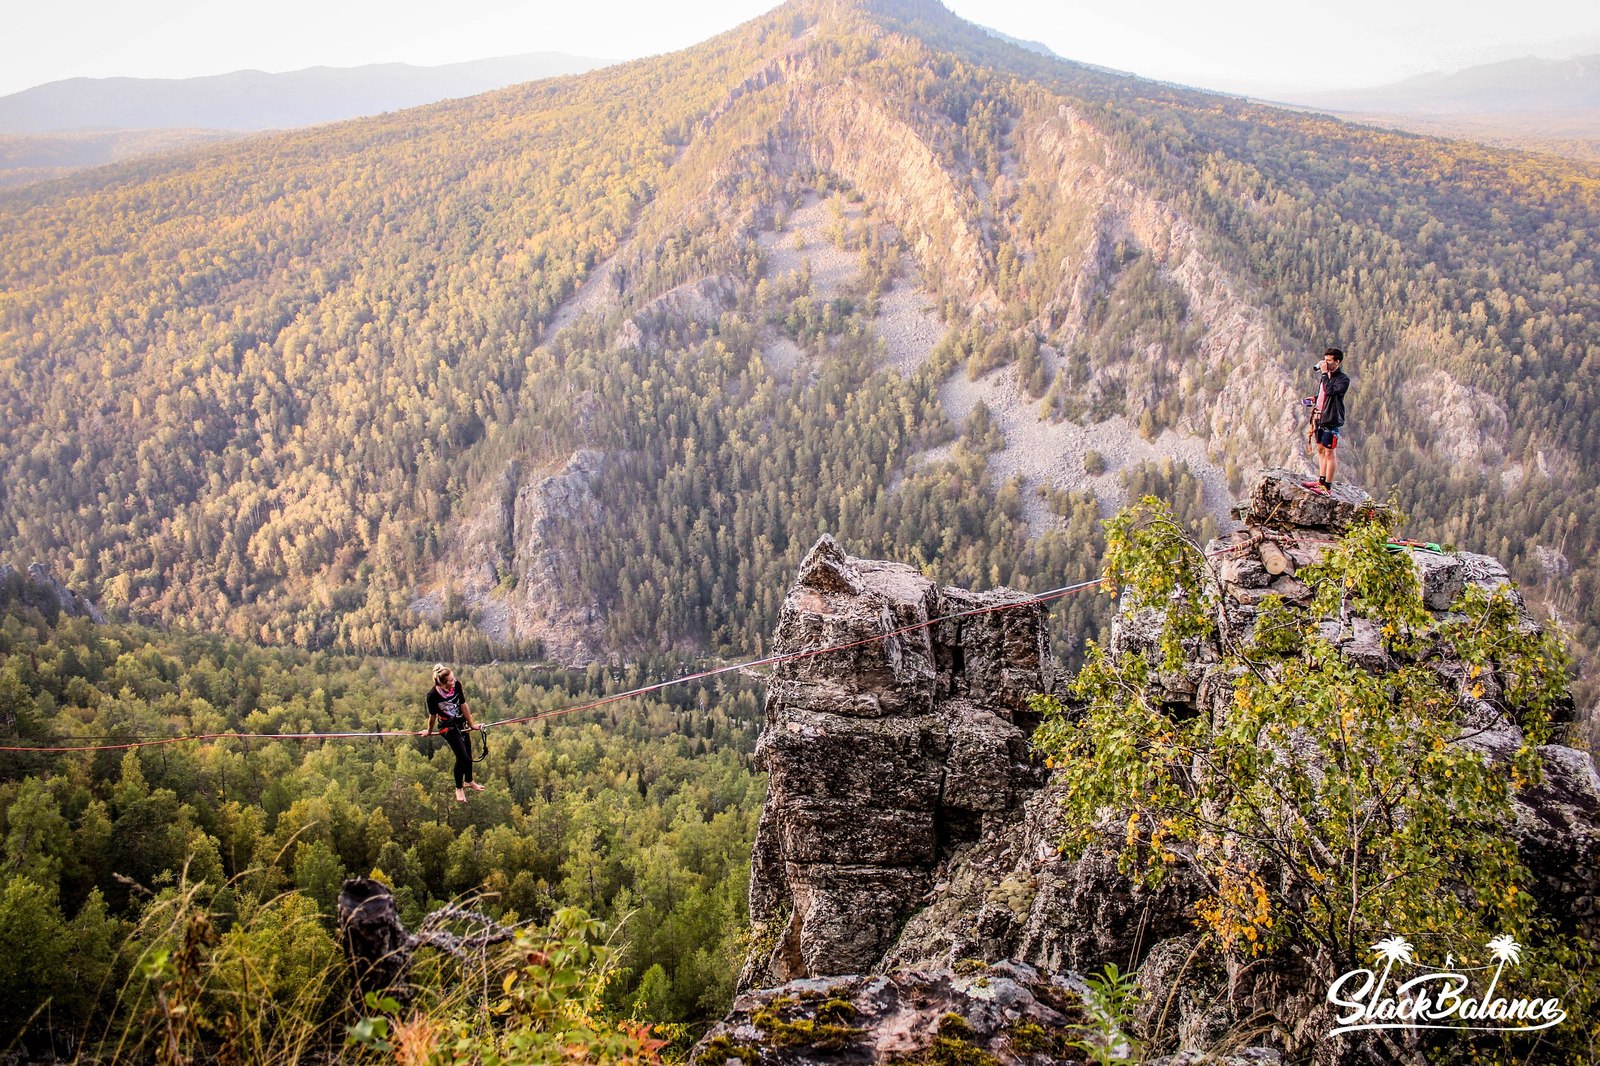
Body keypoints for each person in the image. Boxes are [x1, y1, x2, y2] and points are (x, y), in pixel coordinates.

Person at [421, 664, 483, 802]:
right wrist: (429, 732)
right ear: (442, 683)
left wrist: (471, 724)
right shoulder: (432, 695)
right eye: (450, 680)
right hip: (447, 727)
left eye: (453, 678)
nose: (454, 681)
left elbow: (463, 704)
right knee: (462, 757)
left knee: (468, 754)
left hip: (460, 723)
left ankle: (469, 781)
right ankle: (459, 788)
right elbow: (432, 717)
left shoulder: (457, 686)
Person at [1304, 347, 1348, 494]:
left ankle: (1327, 486)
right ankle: (1320, 480)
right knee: (1321, 450)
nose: (1326, 363)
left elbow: (1330, 391)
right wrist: (1315, 399)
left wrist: (1324, 373)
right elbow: (1324, 395)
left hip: (1331, 419)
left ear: (1338, 361)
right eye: (1325, 360)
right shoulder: (1327, 377)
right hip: (1319, 417)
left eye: (1329, 361)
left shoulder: (1342, 379)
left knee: (1329, 453)